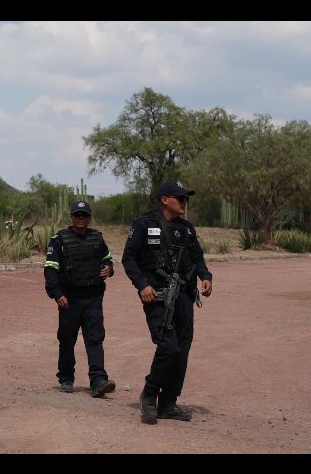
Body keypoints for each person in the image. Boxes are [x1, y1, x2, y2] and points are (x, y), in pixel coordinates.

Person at [121, 181, 213, 424]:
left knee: (182, 352)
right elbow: (129, 258)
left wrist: (205, 276)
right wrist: (142, 285)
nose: (184, 203)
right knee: (169, 348)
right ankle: (149, 394)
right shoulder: (144, 224)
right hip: (158, 297)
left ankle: (169, 403)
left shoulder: (187, 229)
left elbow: (197, 257)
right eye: (180, 198)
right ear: (165, 200)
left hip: (184, 297)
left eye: (186, 199)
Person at [44, 200, 116, 398]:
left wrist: (108, 269)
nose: (81, 218)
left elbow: (108, 260)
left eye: (84, 215)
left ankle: (98, 381)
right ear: (72, 217)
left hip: (93, 298)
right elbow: (50, 269)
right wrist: (57, 294)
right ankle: (66, 378)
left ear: (89, 218)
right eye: (77, 215)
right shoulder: (59, 240)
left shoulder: (97, 238)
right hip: (69, 299)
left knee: (95, 339)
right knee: (67, 340)